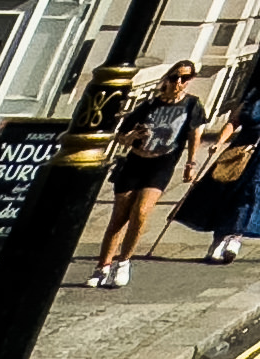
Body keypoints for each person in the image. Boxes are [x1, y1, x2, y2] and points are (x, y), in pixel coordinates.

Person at [89, 62, 208, 287]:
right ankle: (102, 266)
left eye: (184, 78)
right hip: (135, 161)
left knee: (141, 212)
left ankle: (123, 262)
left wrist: (191, 163)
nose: (178, 83)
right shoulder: (149, 105)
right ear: (167, 78)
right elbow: (121, 135)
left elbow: (195, 135)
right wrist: (130, 137)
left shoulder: (192, 104)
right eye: (174, 77)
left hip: (161, 163)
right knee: (119, 216)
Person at [183, 61, 260, 262]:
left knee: (254, 190)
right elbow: (234, 121)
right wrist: (219, 142)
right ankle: (219, 239)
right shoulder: (255, 95)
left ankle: (235, 237)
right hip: (242, 149)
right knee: (228, 191)